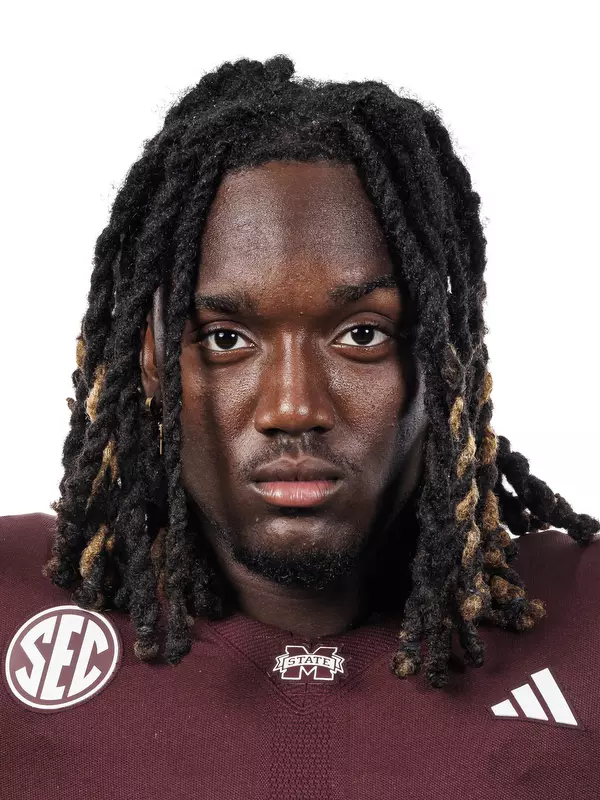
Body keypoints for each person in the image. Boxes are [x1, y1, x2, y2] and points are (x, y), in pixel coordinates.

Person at [1, 55, 598, 799]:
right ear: (153, 361)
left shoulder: (587, 621)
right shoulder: (11, 599)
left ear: (444, 359)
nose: (292, 408)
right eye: (226, 338)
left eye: (361, 335)